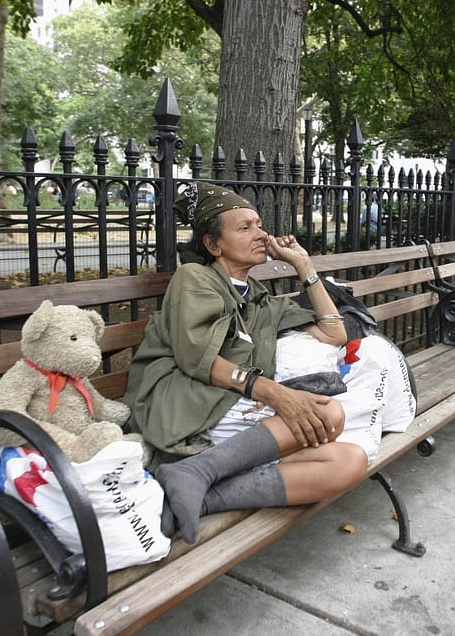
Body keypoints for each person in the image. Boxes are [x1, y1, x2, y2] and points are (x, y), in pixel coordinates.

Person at [126, 181, 369, 544]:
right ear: (213, 244)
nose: (261, 234)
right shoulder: (194, 278)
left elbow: (335, 335)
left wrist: (304, 266)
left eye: (258, 224)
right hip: (186, 403)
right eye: (245, 227)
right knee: (329, 414)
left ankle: (199, 489)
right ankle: (197, 472)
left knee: (350, 462)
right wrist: (275, 394)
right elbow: (198, 358)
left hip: (229, 405)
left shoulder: (256, 295)